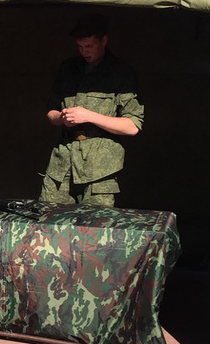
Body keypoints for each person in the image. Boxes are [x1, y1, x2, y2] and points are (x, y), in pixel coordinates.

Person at [39, 14, 144, 207]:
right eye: (79, 47)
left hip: (99, 170)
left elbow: (132, 126)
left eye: (89, 46)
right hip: (62, 165)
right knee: (48, 219)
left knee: (94, 224)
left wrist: (89, 116)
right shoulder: (68, 68)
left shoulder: (121, 73)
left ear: (104, 41)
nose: (84, 52)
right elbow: (50, 112)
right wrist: (61, 118)